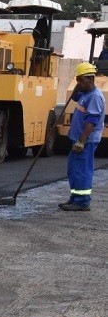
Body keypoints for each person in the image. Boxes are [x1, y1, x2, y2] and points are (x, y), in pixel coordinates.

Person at [58, 62, 105, 212]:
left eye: (80, 80)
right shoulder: (85, 94)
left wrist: (81, 141)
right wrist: (77, 87)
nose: (78, 82)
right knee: (73, 170)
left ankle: (82, 202)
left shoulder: (95, 97)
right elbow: (75, 98)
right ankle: (75, 198)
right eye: (77, 79)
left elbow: (92, 121)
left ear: (90, 79)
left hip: (85, 141)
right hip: (78, 138)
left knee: (82, 170)